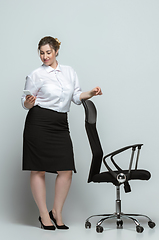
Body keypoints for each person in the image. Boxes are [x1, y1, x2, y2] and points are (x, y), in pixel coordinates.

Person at [21, 36, 102, 230]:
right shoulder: (35, 75)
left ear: (56, 51)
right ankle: (43, 215)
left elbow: (76, 96)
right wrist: (28, 103)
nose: (45, 56)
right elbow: (25, 102)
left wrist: (90, 93)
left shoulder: (69, 72)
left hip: (60, 124)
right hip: (38, 122)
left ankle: (56, 212)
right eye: (41, 53)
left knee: (65, 169)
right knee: (38, 169)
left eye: (48, 52)